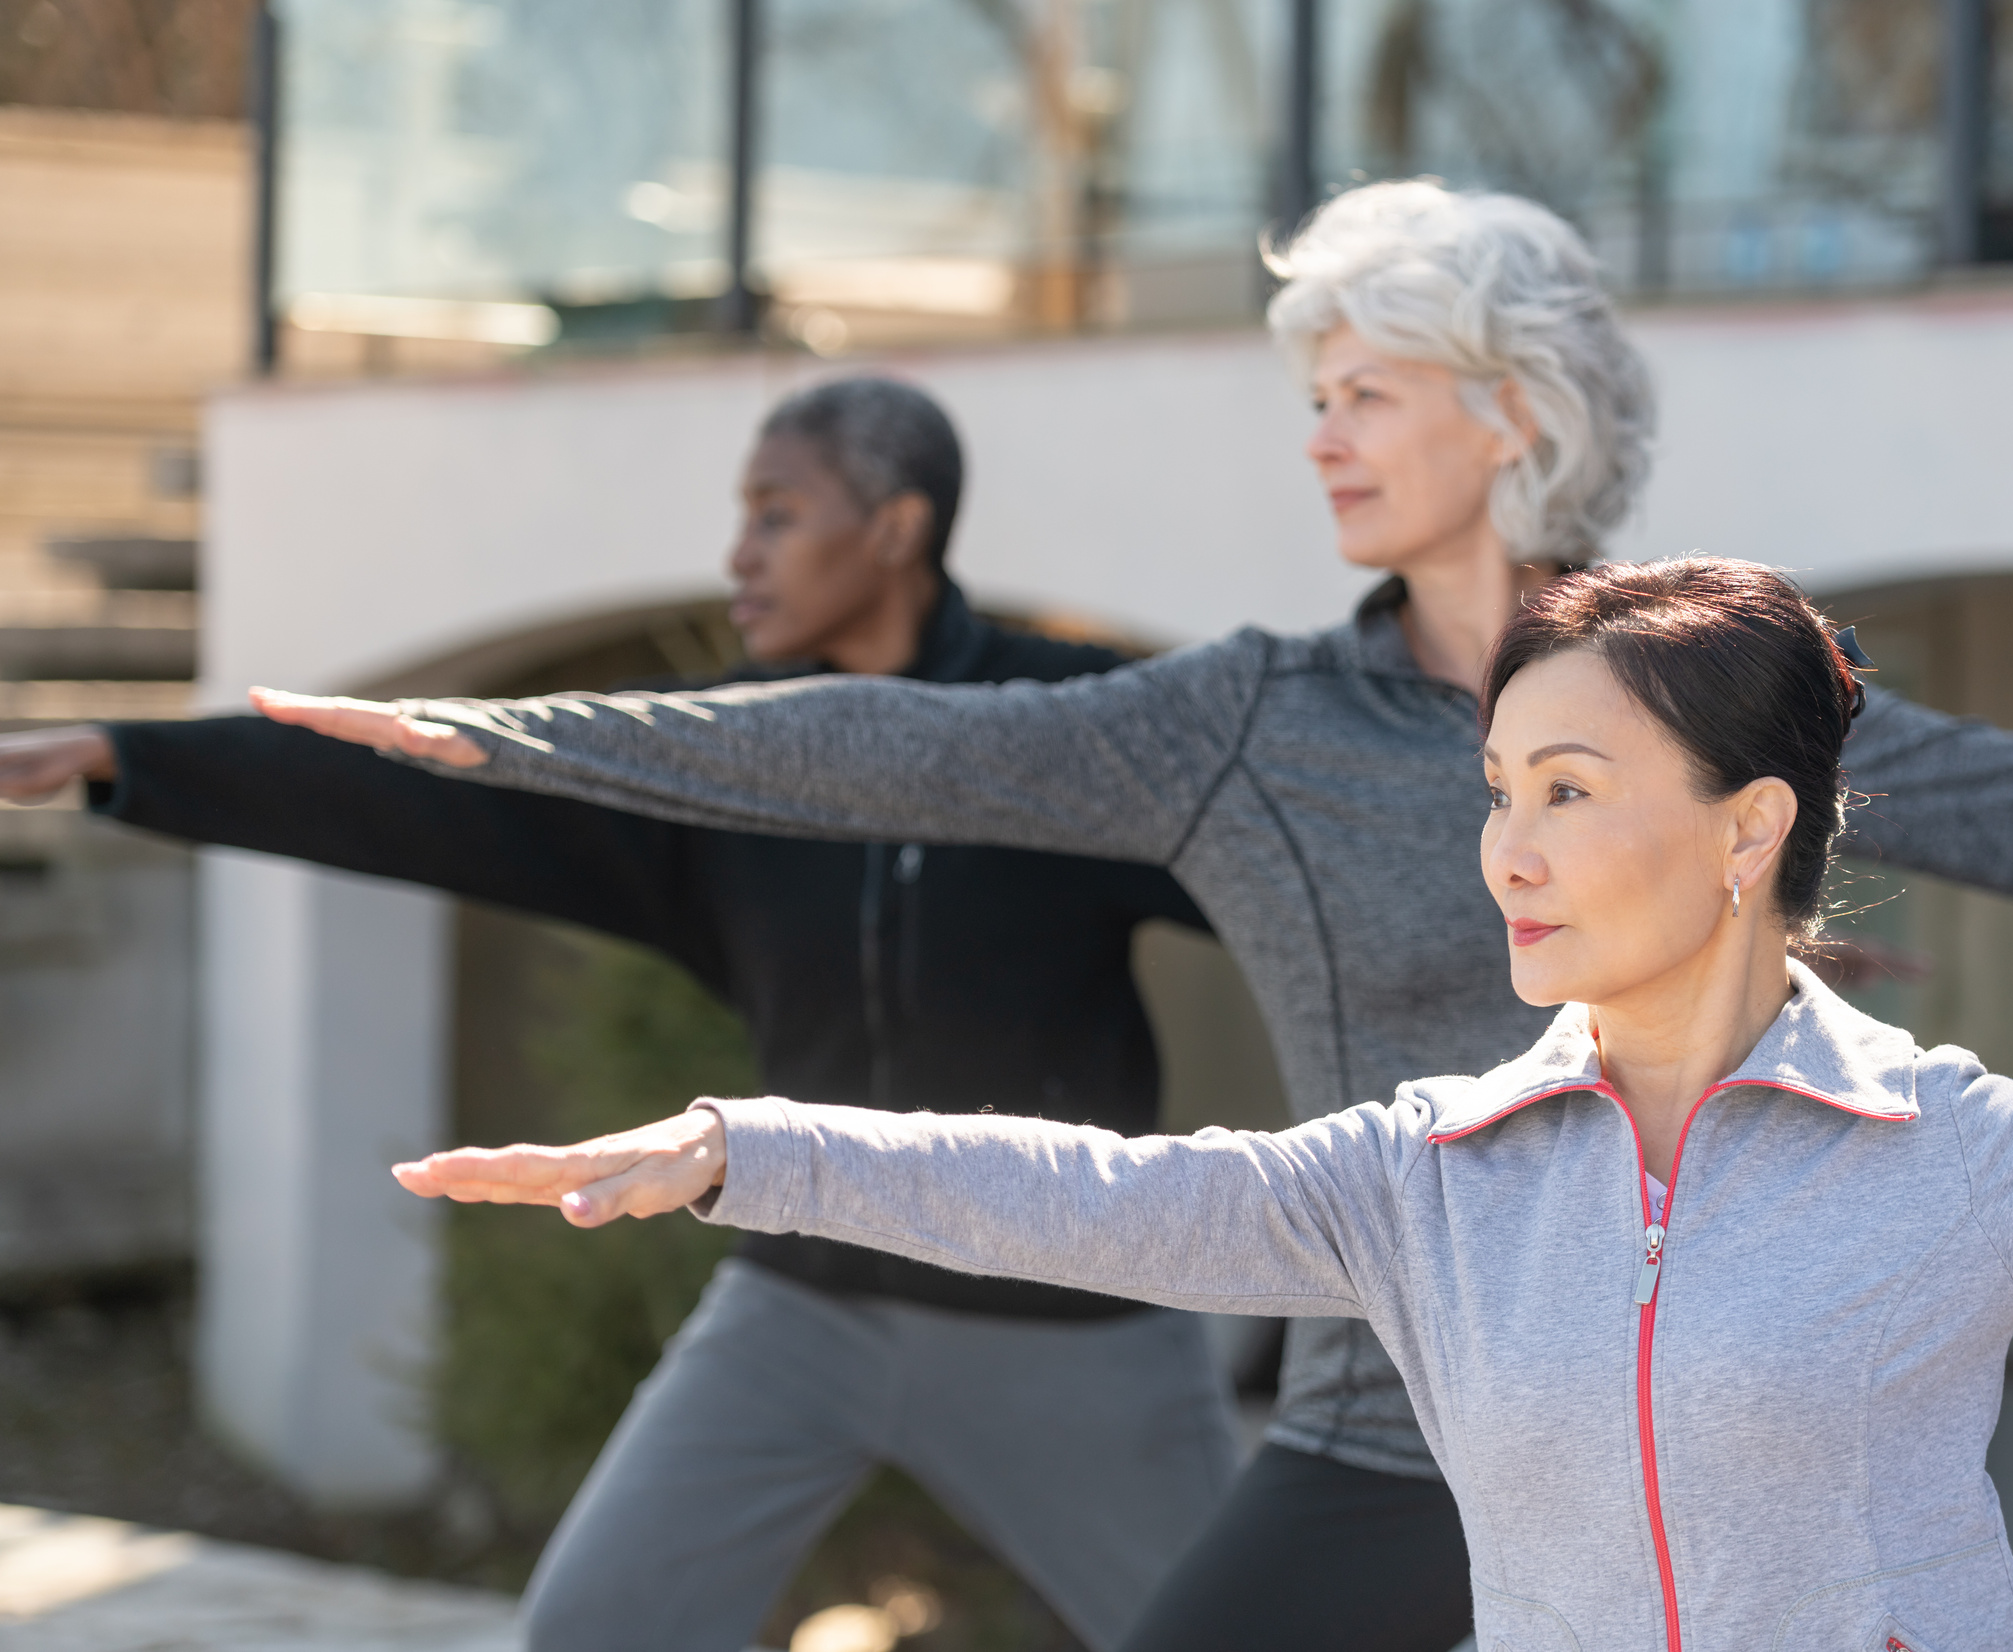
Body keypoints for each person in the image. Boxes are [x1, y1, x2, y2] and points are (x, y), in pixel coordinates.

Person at [240, 184, 2013, 1652]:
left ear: (1506, 419)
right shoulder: (1236, 731)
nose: (1318, 436)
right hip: (1377, 1406)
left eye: (1362, 392)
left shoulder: (1724, 714)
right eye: (1304, 394)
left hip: (1733, 1435)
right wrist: (533, 747)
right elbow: (898, 759)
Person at [385, 557, 2013, 1652]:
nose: (1505, 852)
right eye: (1495, 793)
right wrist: (756, 1147)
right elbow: (1106, 1195)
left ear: (1746, 832)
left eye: (1567, 795)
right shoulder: (1429, 1174)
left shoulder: (1956, 1151)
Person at [0, 379, 1238, 1652]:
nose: (737, 555)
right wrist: (123, 757)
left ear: (894, 529)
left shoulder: (1069, 730)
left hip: (1064, 1320)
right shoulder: (730, 757)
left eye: (777, 513)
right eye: (741, 516)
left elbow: (1310, 870)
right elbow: (444, 795)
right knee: (592, 1629)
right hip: (802, 1306)